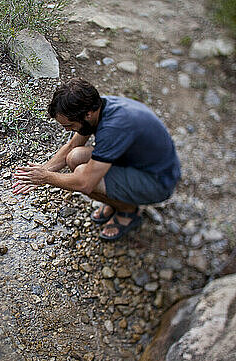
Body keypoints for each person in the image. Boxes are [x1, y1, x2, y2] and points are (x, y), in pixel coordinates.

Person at [12, 78, 181, 241]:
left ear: (88, 114)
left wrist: (46, 178)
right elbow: (70, 148)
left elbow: (85, 183)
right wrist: (41, 172)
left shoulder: (113, 127)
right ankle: (117, 200)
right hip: (135, 161)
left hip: (158, 180)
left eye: (69, 126)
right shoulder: (98, 106)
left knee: (83, 176)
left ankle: (128, 211)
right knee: (75, 157)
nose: (66, 130)